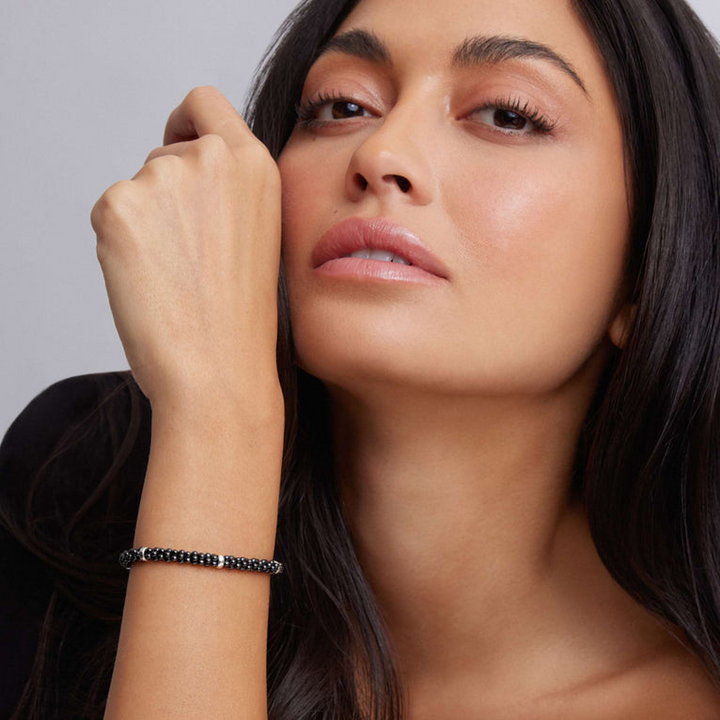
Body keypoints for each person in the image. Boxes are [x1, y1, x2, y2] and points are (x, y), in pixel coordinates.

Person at [1, 0, 719, 716]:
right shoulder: (75, 481)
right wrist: (217, 416)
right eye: (341, 105)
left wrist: (222, 420)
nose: (379, 154)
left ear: (651, 263)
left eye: (506, 114)